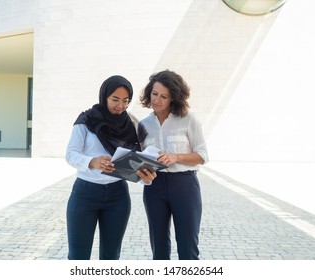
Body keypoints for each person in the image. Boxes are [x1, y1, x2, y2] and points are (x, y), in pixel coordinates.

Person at [65, 75, 156, 260]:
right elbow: (71, 154)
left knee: (111, 257)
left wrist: (145, 177)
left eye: (125, 101)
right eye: (115, 99)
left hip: (117, 196)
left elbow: (137, 160)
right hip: (85, 194)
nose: (120, 106)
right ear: (104, 96)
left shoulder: (131, 125)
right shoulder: (86, 120)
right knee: (77, 256)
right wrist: (92, 161)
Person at [138, 70, 209, 260]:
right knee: (159, 249)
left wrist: (176, 157)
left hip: (184, 186)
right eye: (154, 94)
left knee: (188, 249)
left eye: (164, 96)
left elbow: (202, 156)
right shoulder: (143, 125)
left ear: (173, 98)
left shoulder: (188, 119)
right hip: (154, 188)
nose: (157, 100)